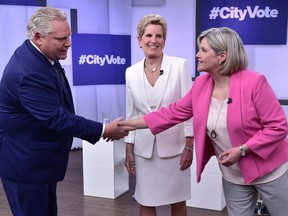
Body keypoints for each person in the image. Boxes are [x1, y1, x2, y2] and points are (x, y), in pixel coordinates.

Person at [123, 27, 288, 216]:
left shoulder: (254, 82)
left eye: (203, 50)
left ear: (222, 56)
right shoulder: (201, 84)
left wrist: (243, 150)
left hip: (271, 171)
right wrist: (127, 125)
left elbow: (278, 126)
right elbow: (170, 114)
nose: (197, 55)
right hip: (233, 175)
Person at [0, 6, 134, 216]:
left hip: (38, 163)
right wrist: (103, 130)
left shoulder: (38, 56)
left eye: (68, 37)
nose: (69, 43)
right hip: (26, 167)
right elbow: (56, 117)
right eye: (62, 38)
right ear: (38, 37)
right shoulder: (29, 72)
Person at [124, 14, 194, 216]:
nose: (153, 40)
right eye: (148, 35)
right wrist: (129, 147)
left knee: (177, 201)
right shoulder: (131, 72)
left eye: (159, 36)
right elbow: (132, 112)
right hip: (144, 150)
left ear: (164, 40)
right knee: (146, 200)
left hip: (175, 148)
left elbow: (189, 109)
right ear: (139, 40)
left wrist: (189, 145)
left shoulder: (179, 65)